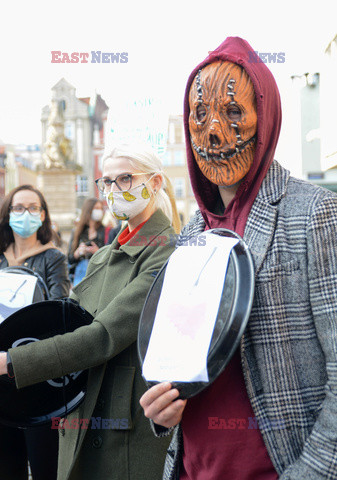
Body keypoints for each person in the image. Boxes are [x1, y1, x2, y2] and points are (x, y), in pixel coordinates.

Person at [140, 37, 337, 479]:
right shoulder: (191, 234)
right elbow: (180, 359)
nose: (213, 131)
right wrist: (160, 407)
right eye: (201, 114)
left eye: (233, 113)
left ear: (264, 117)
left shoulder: (314, 214)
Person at [0, 144, 180, 480]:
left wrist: (13, 361)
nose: (114, 190)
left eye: (126, 178)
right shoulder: (102, 257)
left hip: (125, 423)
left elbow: (104, 337)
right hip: (81, 413)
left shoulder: (167, 252)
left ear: (155, 183)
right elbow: (63, 323)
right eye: (107, 182)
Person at [0, 184, 70, 480]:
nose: (25, 214)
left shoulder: (53, 259)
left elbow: (59, 311)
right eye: (18, 208)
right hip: (0, 377)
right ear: (8, 214)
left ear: (42, 215)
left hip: (36, 377)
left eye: (32, 208)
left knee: (45, 467)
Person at [68, 198, 106, 285]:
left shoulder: (105, 231)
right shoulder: (77, 231)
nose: (99, 211)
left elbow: (110, 255)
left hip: (99, 273)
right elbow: (70, 258)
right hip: (80, 274)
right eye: (96, 208)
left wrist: (97, 252)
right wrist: (78, 252)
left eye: (100, 208)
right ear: (88, 210)